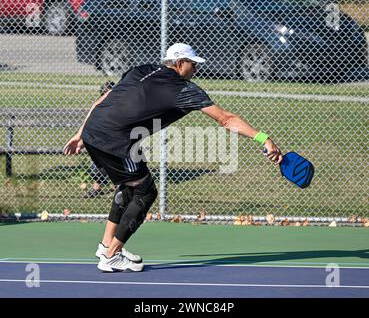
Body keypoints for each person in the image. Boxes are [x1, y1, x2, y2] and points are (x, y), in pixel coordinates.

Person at [63, 43, 283, 273]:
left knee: (129, 185)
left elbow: (106, 98)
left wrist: (81, 133)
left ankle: (107, 246)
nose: (196, 69)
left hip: (95, 130)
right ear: (179, 64)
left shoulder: (142, 69)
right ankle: (111, 256)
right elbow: (226, 119)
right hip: (114, 139)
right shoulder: (183, 89)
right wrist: (263, 138)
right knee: (145, 191)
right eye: (193, 64)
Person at [83, 81, 116, 199]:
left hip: (115, 138)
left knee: (117, 163)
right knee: (97, 164)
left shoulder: (119, 104)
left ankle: (118, 187)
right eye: (105, 93)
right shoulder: (99, 105)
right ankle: (96, 188)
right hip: (100, 139)